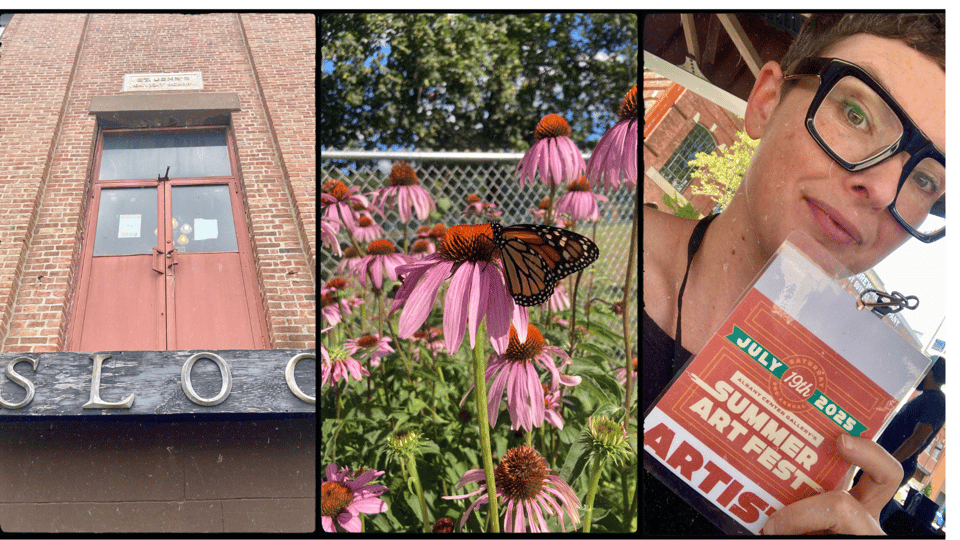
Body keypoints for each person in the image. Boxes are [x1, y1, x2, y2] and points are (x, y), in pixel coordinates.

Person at [643, 13, 944, 536]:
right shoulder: (590, 271)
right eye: (857, 113)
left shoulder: (836, 448)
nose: (881, 190)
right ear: (765, 102)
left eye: (923, 178)